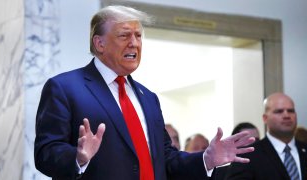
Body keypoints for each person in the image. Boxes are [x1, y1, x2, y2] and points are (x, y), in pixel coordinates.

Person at [34, 5, 255, 180]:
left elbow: (166, 159)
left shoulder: (148, 98)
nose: (134, 44)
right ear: (99, 43)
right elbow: (46, 153)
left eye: (138, 36)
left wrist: (205, 159)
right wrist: (78, 157)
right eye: (124, 36)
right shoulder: (65, 87)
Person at [226, 92, 307, 180]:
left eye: (291, 111)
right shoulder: (247, 156)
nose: (286, 115)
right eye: (279, 111)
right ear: (265, 118)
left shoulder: (304, 149)